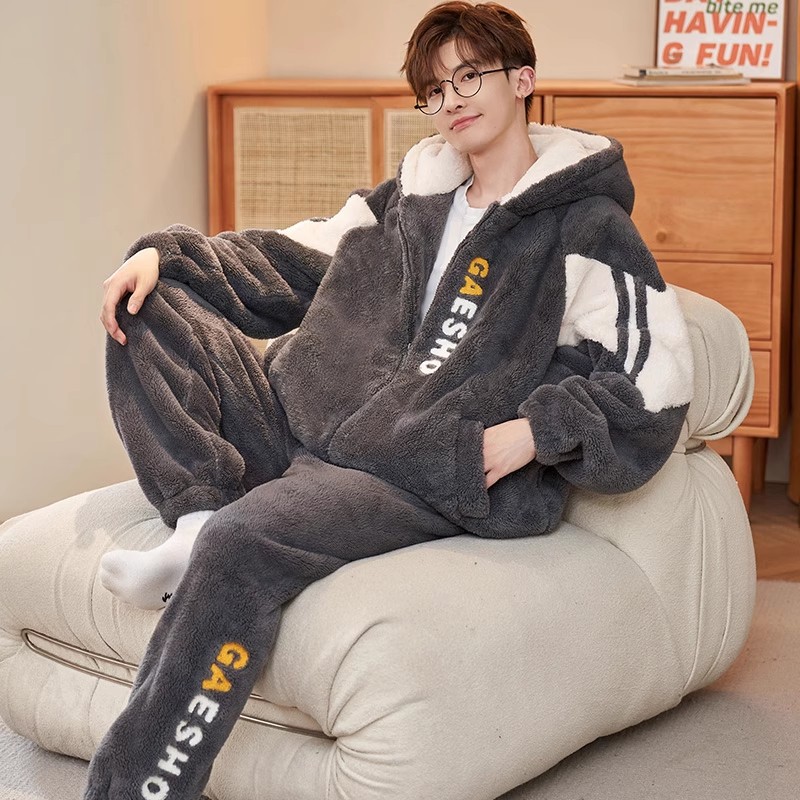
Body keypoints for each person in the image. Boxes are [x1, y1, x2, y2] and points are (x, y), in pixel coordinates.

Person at [85, 2, 694, 797]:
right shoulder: (411, 199)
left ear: (523, 79)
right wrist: (169, 258)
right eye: (435, 90)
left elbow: (652, 384)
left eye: (469, 77)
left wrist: (528, 435)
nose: (452, 101)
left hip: (418, 472)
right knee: (146, 302)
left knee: (241, 545)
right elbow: (292, 254)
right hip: (305, 429)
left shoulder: (587, 227)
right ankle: (198, 515)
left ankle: (137, 785)